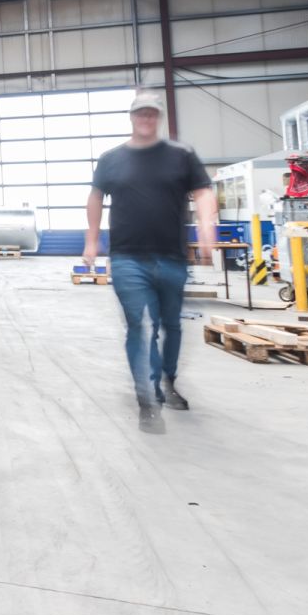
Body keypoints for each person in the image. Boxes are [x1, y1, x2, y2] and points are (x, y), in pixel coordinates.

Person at [83, 88, 217, 426]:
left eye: (152, 113)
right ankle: (147, 394)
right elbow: (95, 197)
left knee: (171, 326)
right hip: (127, 257)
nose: (146, 118)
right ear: (131, 117)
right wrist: (91, 241)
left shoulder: (182, 155)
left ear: (158, 117)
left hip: (172, 257)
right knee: (141, 325)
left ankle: (168, 380)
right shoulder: (111, 159)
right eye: (140, 112)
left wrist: (207, 226)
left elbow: (203, 191)